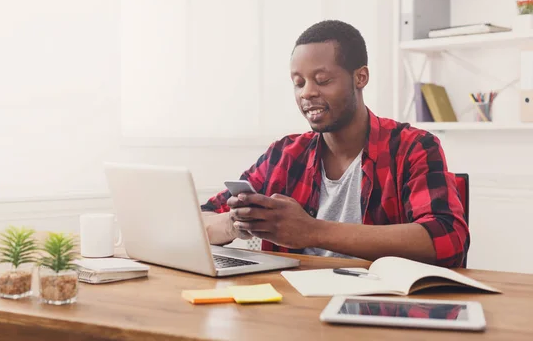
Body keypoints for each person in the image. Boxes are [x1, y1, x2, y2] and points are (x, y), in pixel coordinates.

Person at [201, 20, 469, 268]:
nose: (307, 92)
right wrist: (236, 223)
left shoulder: (413, 147)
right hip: (293, 306)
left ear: (360, 77)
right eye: (298, 83)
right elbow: (199, 219)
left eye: (323, 80)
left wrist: (312, 231)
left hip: (383, 304)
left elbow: (448, 239)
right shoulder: (284, 155)